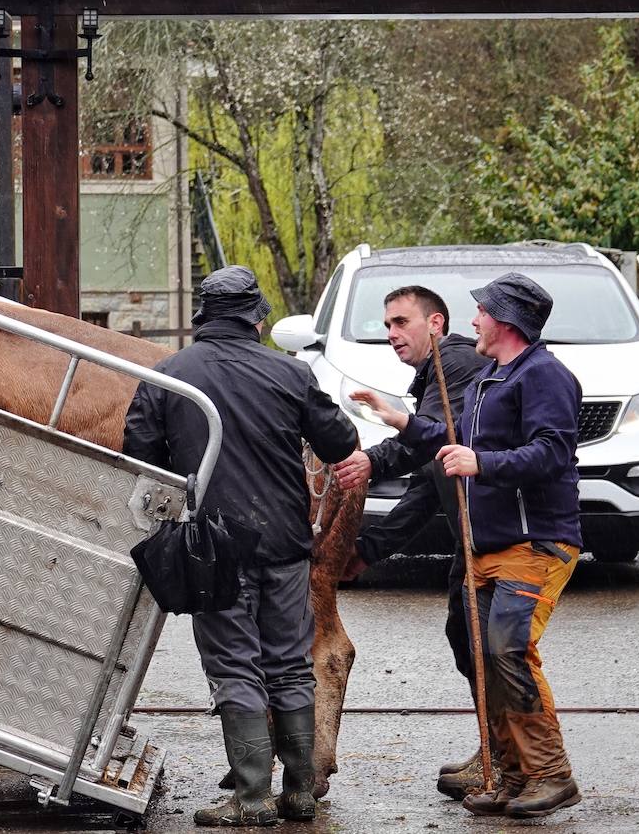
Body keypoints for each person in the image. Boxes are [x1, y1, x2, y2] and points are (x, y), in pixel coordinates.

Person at [123, 265, 358, 826]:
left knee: (235, 667)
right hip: (284, 543)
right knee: (288, 664)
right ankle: (300, 792)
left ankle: (251, 799)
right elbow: (341, 440)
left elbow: (138, 453)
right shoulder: (290, 373)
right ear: (257, 320)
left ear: (203, 320)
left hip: (213, 546)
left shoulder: (170, 376)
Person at [364, 273, 583, 819]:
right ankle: (510, 776)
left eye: (480, 312)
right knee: (485, 657)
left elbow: (553, 453)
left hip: (534, 544)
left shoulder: (545, 376)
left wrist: (481, 463)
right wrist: (404, 423)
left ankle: (552, 774)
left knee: (509, 652)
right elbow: (453, 440)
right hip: (485, 546)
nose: (472, 322)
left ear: (505, 321)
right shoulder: (490, 377)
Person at [329, 286, 489, 800]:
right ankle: (497, 749)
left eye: (401, 322)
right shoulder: (433, 376)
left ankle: (512, 760)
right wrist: (367, 550)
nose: (392, 334)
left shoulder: (458, 366)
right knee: (466, 636)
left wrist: (376, 457)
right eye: (388, 326)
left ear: (435, 323)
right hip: (473, 539)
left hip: (501, 537)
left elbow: (443, 434)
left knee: (495, 648)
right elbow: (427, 483)